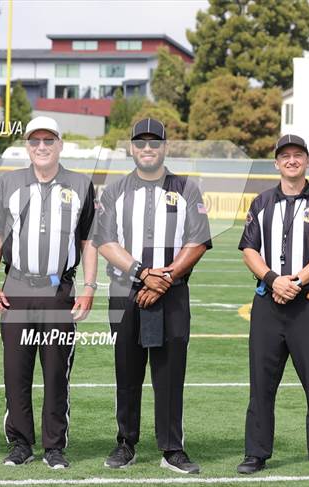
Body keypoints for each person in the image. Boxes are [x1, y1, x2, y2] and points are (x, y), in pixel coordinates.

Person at [93, 118, 211, 474]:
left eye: (154, 143)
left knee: (170, 373)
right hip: (125, 290)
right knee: (127, 371)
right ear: (131, 148)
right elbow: (105, 241)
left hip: (172, 293)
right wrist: (143, 273)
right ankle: (125, 443)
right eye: (141, 143)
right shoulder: (114, 190)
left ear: (165, 147)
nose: (148, 149)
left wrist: (166, 277)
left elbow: (198, 241)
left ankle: (172, 448)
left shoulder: (187, 188)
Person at [0, 116, 97, 469]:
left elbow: (88, 240)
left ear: (60, 145)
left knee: (56, 371)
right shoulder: (9, 182)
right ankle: (20, 443)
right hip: (17, 287)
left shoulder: (81, 184)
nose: (42, 146)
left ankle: (54, 445)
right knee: (16, 371)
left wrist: (89, 287)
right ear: (27, 146)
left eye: (49, 140)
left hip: (58, 289)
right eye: (35, 141)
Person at [237, 134, 309, 480]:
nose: (292, 160)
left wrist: (296, 281)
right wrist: (273, 280)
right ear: (276, 163)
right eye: (285, 156)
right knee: (261, 383)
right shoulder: (261, 202)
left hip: (308, 305)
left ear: (308, 161)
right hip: (268, 305)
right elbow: (249, 249)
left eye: (298, 155)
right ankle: (256, 453)